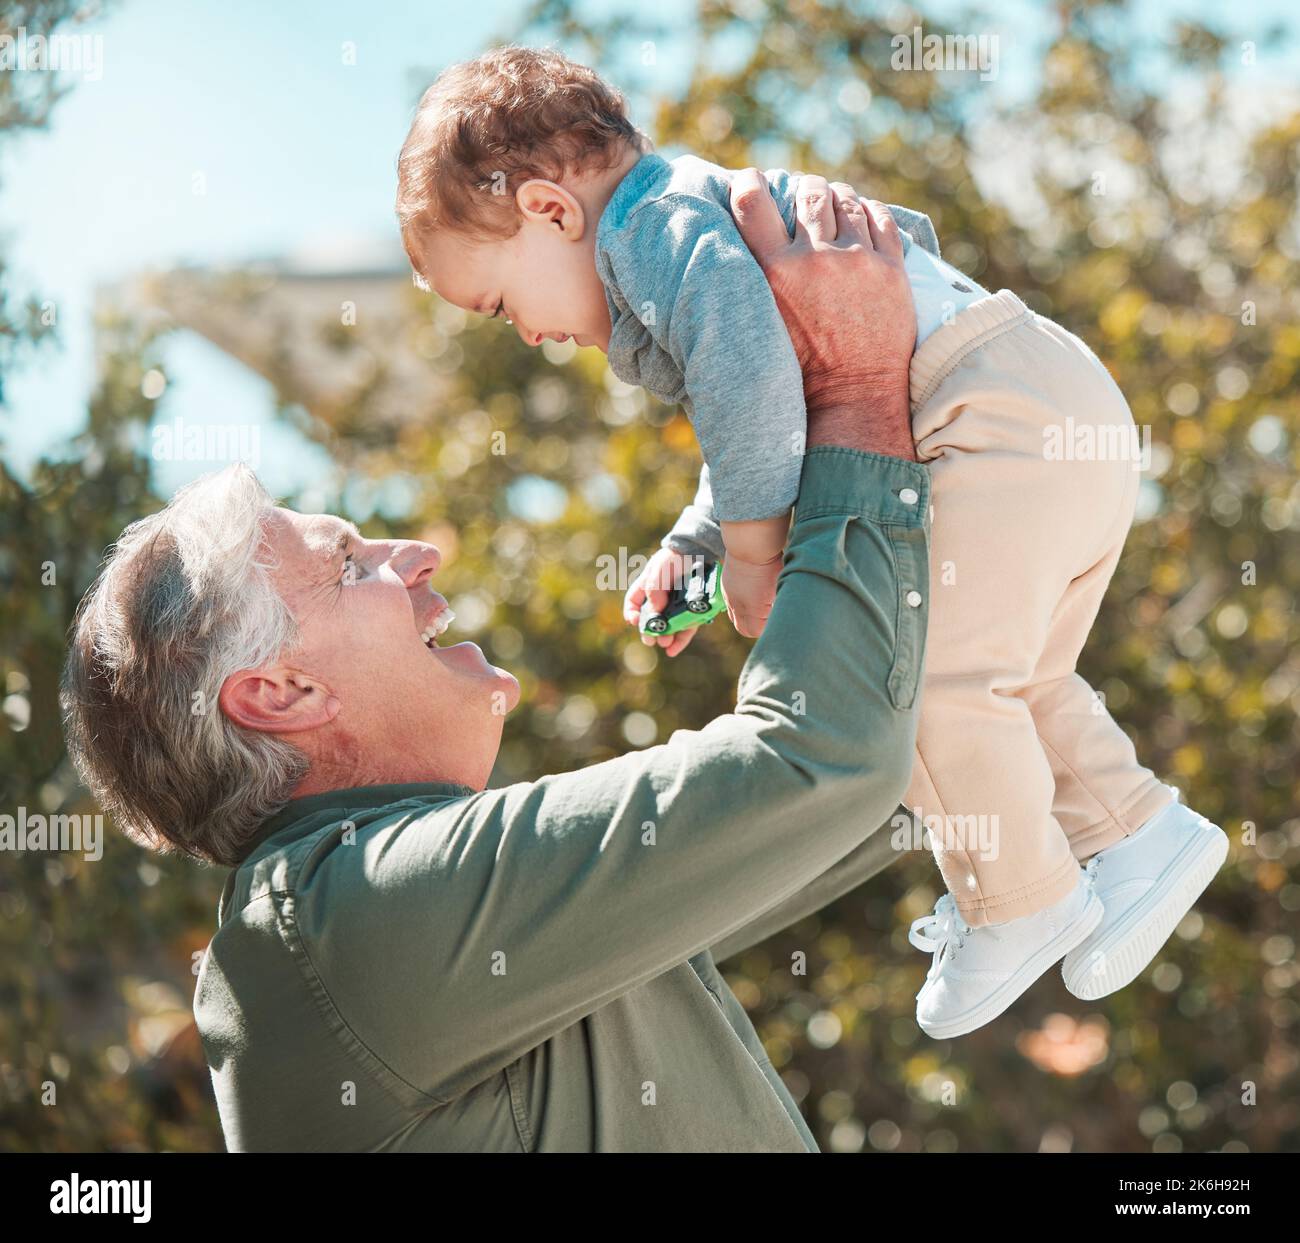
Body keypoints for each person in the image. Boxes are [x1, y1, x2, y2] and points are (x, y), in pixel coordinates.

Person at [60, 174, 929, 1151]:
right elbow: (825, 758)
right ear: (280, 691)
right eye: (350, 564)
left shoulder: (396, 926)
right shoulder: (351, 926)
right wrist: (856, 385)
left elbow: (873, 784)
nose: (417, 554)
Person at [395, 46, 1228, 1039]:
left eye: (498, 305)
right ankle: (1137, 832)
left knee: (911, 672)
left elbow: (747, 379)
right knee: (1015, 681)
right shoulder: (675, 216)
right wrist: (702, 541)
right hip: (1042, 402)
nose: (524, 335)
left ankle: (1020, 898)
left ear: (547, 210)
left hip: (983, 411)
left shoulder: (650, 231)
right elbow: (763, 404)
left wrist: (752, 560)